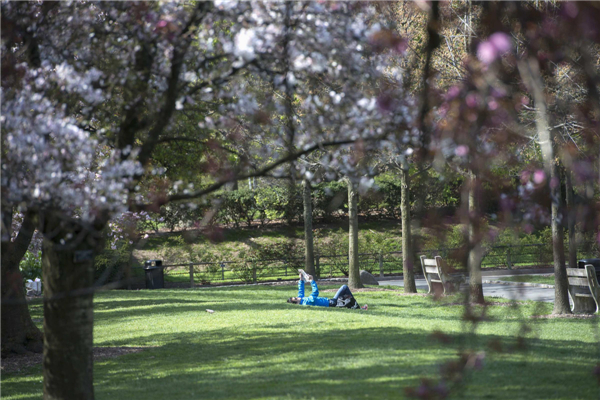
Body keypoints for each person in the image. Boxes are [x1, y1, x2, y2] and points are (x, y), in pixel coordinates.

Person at [287, 273, 366, 309]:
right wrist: (311, 281)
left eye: (296, 297)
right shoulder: (306, 302)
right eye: (296, 299)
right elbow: (315, 292)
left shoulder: (301, 300)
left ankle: (357, 307)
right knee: (344, 287)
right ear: (297, 303)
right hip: (331, 302)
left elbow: (300, 292)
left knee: (345, 300)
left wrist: (301, 280)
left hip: (330, 302)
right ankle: (357, 307)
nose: (298, 297)